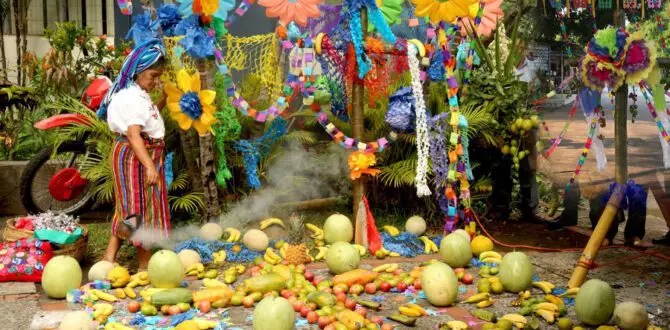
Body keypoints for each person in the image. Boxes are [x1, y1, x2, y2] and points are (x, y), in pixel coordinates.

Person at [99, 38, 170, 270]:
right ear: (139, 71)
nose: (155, 81)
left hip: (141, 153)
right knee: (137, 209)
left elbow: (145, 121)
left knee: (131, 208)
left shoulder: (137, 93)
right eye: (153, 76)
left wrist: (164, 101)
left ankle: (109, 257)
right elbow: (133, 134)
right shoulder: (130, 97)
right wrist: (149, 165)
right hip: (135, 155)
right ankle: (144, 265)